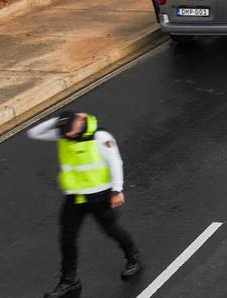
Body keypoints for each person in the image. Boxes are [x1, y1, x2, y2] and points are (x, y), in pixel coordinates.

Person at [28, 111, 142, 297]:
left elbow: (115, 162)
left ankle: (132, 256)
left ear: (81, 120)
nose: (68, 135)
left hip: (100, 196)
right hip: (75, 197)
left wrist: (117, 190)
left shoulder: (100, 137)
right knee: (67, 238)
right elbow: (34, 133)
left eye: (70, 130)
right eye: (64, 131)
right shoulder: (64, 133)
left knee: (111, 230)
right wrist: (58, 121)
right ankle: (69, 279)